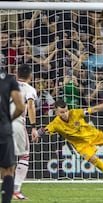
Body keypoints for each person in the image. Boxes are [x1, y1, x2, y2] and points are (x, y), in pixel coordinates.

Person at [36, 98, 103, 182]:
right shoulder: (55, 123)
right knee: (95, 162)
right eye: (61, 112)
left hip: (93, 135)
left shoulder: (77, 113)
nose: (65, 114)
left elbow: (94, 109)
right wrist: (38, 133)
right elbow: (45, 129)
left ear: (68, 108)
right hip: (81, 145)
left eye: (66, 111)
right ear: (56, 112)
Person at [10, 64, 38, 200]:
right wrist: (33, 126)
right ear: (30, 76)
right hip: (16, 123)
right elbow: (31, 106)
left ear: (16, 74)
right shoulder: (29, 89)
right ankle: (16, 190)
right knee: (24, 156)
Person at [0, 67, 25, 203]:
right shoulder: (9, 80)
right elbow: (20, 107)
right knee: (8, 170)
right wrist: (9, 119)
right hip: (3, 129)